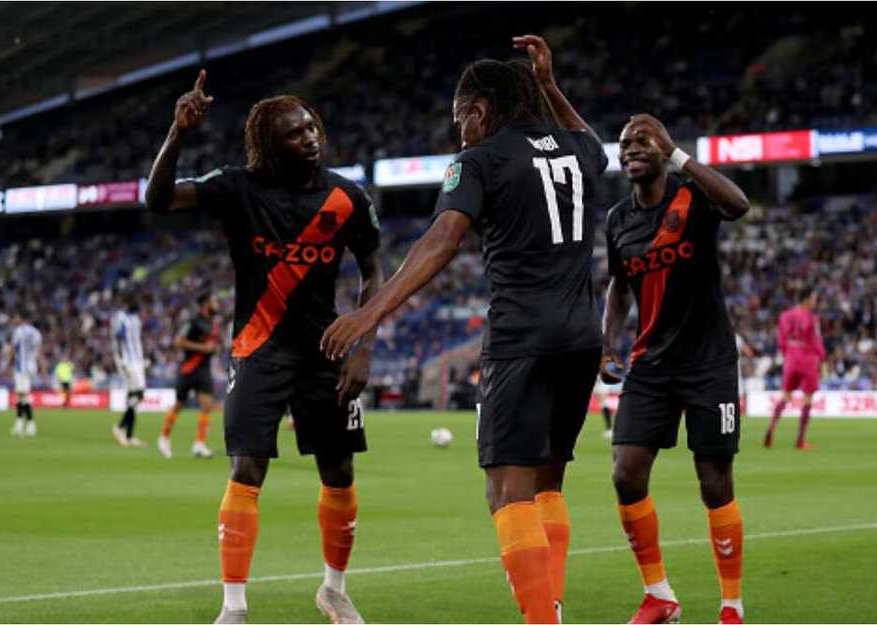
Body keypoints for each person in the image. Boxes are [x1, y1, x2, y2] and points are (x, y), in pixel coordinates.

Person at [322, 35, 606, 624]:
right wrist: (550, 85)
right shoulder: (577, 148)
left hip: (521, 338)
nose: (458, 133)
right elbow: (597, 148)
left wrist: (367, 313)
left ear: (479, 112)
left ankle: (542, 619)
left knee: (507, 491)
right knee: (549, 484)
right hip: (583, 335)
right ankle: (549, 604)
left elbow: (443, 239)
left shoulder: (478, 160)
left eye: (460, 121)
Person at [146, 69, 383, 625]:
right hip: (259, 348)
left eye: (312, 127)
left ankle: (334, 590)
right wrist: (177, 133)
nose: (311, 137)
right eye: (297, 133)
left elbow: (373, 272)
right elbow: (157, 199)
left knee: (339, 471)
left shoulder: (347, 196)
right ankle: (234, 606)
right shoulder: (238, 188)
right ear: (270, 144)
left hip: (327, 351)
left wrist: (363, 344)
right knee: (247, 467)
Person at [601, 114, 750, 625]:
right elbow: (619, 288)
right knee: (625, 472)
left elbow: (739, 204)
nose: (631, 149)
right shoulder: (618, 219)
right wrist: (606, 345)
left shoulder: (692, 197)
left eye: (642, 140)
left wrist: (680, 155)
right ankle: (660, 595)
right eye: (624, 144)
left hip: (709, 361)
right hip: (651, 363)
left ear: (662, 147)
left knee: (714, 480)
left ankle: (731, 606)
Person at [158, 291, 221, 460]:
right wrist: (203, 348)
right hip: (189, 369)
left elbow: (211, 345)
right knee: (179, 405)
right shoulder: (193, 322)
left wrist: (214, 349)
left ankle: (199, 444)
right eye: (214, 300)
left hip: (204, 369)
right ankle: (164, 437)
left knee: (207, 405)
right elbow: (178, 341)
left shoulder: (213, 323)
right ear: (205, 304)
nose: (217, 304)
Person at [765, 287, 825, 450]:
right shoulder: (812, 318)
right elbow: (816, 341)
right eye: (813, 298)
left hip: (791, 358)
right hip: (807, 359)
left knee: (785, 396)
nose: (815, 302)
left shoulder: (785, 316)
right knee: (807, 399)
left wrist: (788, 355)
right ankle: (800, 440)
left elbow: (781, 340)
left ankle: (771, 429)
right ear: (806, 299)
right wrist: (822, 356)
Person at [111, 293, 148, 447]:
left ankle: (128, 434)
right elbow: (118, 339)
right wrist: (121, 360)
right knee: (138, 393)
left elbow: (137, 340)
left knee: (134, 397)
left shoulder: (135, 319)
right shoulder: (120, 317)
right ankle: (119, 428)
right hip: (127, 360)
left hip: (136, 360)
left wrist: (143, 358)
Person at [8, 311, 44, 437]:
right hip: (32, 367)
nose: (14, 320)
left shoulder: (18, 331)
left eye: (15, 317)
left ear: (21, 318)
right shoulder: (37, 333)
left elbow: (13, 349)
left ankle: (29, 424)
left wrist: (8, 364)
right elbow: (40, 353)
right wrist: (43, 370)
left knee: (23, 396)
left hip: (21, 367)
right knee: (21, 395)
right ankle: (20, 424)